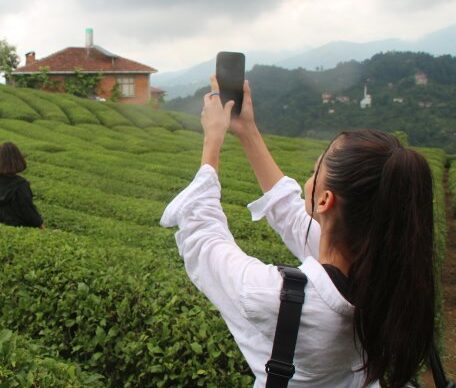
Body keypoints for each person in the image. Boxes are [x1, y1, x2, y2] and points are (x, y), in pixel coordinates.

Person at [160, 77, 435, 387]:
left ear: (325, 200)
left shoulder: (276, 298)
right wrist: (248, 131)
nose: (309, 178)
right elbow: (291, 213)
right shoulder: (383, 274)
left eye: (315, 171)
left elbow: (203, 239)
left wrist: (212, 141)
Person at [0, 142, 44, 229]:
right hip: (25, 231)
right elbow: (28, 211)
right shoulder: (21, 185)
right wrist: (40, 224)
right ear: (18, 160)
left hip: (5, 230)